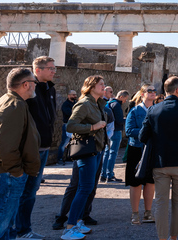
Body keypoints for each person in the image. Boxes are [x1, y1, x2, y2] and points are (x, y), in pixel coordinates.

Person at [0, 67, 41, 240]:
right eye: (34, 83)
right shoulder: (14, 105)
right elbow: (6, 146)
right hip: (6, 174)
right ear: (26, 84)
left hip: (5, 173)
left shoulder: (12, 101)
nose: (35, 86)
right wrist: (17, 171)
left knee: (5, 228)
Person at [139, 76, 178, 240]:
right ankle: (174, 237)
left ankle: (162, 238)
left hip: (160, 162)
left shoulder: (153, 109)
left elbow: (142, 136)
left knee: (160, 202)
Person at [14, 55, 57, 240]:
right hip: (32, 148)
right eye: (50, 68)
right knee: (26, 192)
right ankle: (21, 231)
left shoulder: (49, 89)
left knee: (31, 191)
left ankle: (23, 229)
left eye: (54, 68)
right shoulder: (30, 90)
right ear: (37, 70)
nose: (54, 71)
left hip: (44, 147)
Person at [61, 75, 108, 240]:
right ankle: (69, 227)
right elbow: (72, 125)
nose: (104, 86)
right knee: (84, 188)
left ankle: (78, 221)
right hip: (86, 150)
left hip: (96, 149)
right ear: (91, 86)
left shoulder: (97, 103)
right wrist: (93, 126)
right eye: (101, 84)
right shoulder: (84, 103)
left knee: (87, 188)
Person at [125, 85, 156, 225]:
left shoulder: (157, 110)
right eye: (150, 91)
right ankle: (135, 213)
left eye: (154, 91)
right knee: (135, 182)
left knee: (150, 181)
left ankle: (148, 213)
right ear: (143, 94)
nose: (153, 93)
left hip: (151, 149)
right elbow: (129, 130)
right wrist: (146, 132)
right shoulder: (135, 110)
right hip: (136, 148)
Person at [101, 90, 129, 183]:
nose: (125, 101)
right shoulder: (116, 105)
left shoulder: (110, 103)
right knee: (113, 153)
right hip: (116, 131)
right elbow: (119, 120)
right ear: (121, 96)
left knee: (107, 152)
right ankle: (110, 175)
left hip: (109, 130)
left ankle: (103, 174)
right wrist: (127, 120)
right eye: (125, 98)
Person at [59, 90, 78, 164]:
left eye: (75, 94)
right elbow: (70, 114)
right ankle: (60, 159)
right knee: (65, 143)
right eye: (73, 95)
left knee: (73, 142)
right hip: (67, 125)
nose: (74, 96)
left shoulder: (76, 104)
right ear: (68, 95)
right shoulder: (65, 104)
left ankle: (70, 157)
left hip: (75, 125)